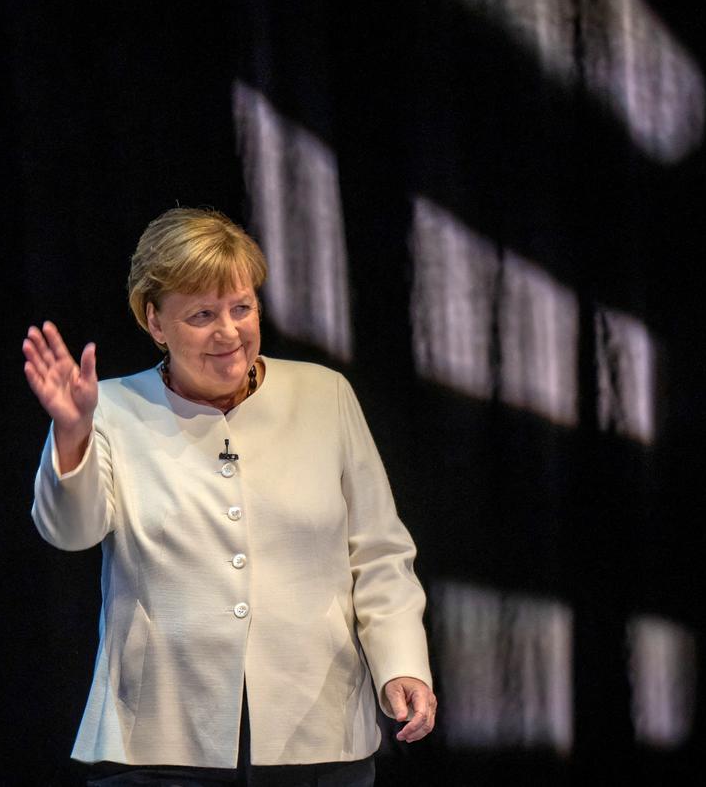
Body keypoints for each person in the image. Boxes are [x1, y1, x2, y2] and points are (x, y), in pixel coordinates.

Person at [23, 207, 435, 786]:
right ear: (155, 321)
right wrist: (72, 434)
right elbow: (71, 531)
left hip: (317, 732)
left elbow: (379, 554)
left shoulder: (325, 396)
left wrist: (401, 664)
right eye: (201, 315)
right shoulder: (110, 409)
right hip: (160, 737)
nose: (229, 331)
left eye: (242, 307)